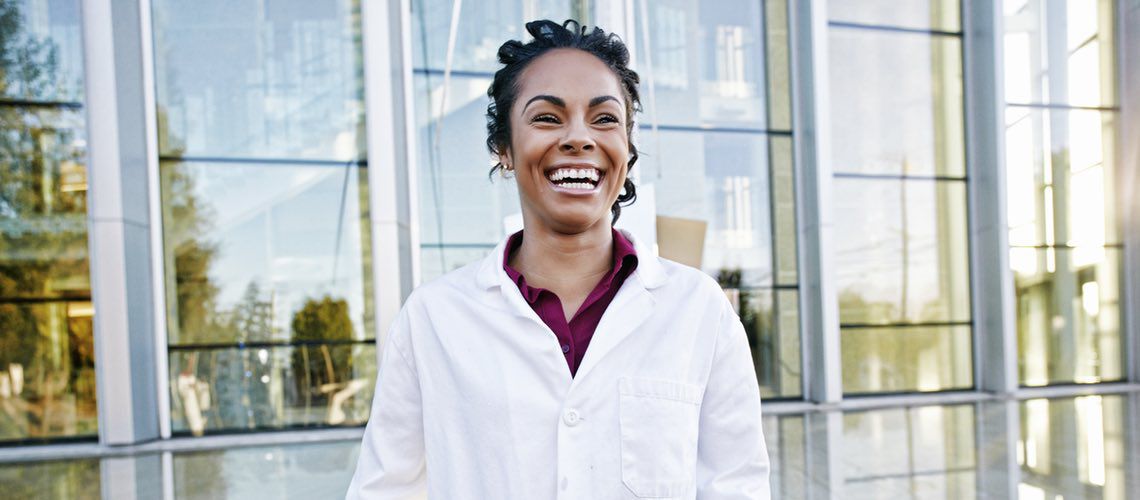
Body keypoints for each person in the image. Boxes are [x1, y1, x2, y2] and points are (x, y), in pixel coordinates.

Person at [346, 19, 770, 499]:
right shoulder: (432, 319)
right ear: (504, 148)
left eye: (605, 119)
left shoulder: (699, 310)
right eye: (547, 117)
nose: (578, 138)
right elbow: (386, 490)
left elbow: (737, 486)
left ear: (627, 152)